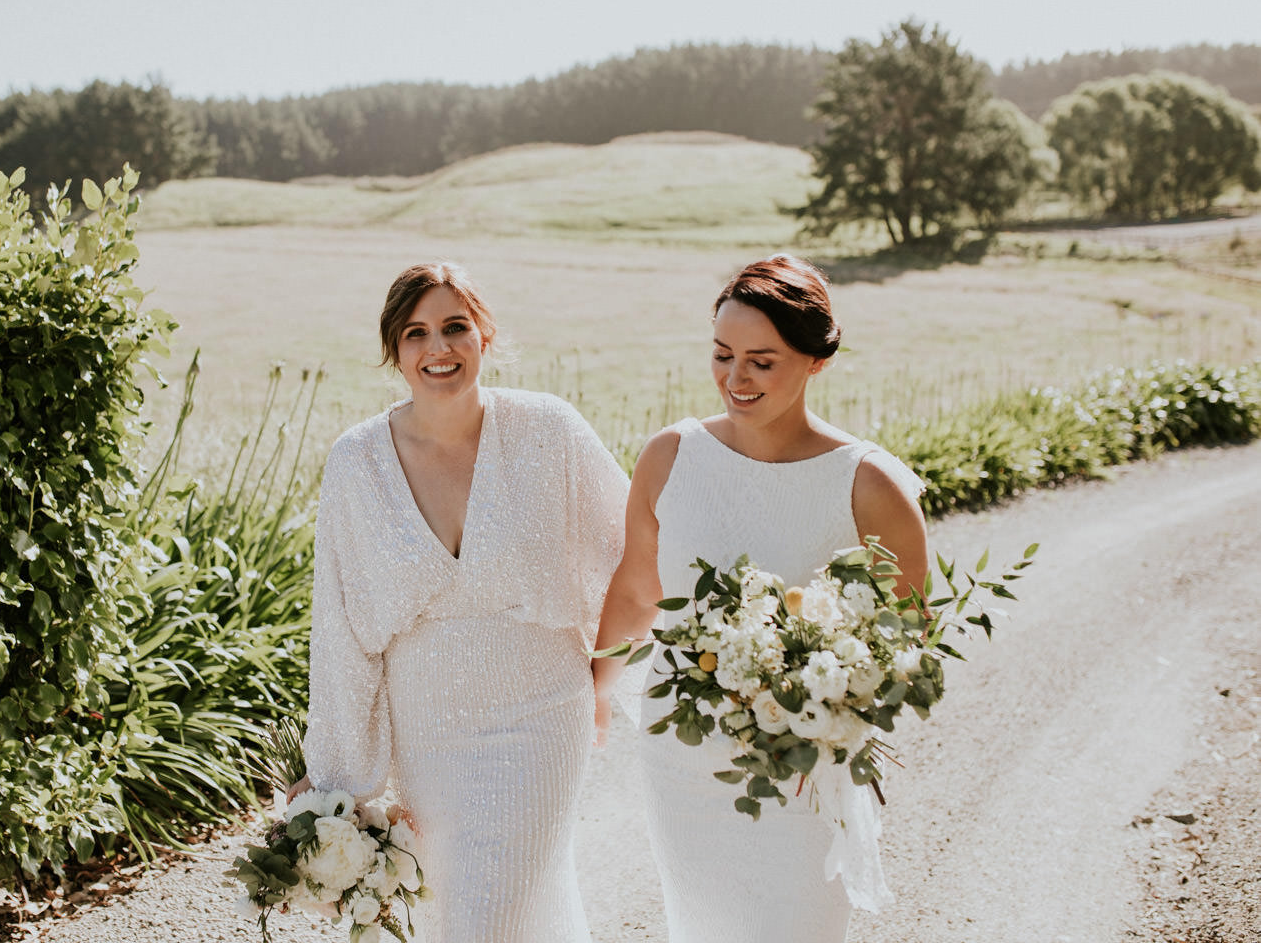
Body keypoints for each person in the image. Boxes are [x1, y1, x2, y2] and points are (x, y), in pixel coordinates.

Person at [592, 254, 927, 942]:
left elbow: (908, 639)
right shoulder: (671, 456)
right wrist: (594, 690)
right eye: (722, 355)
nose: (735, 379)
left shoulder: (869, 485)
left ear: (815, 361)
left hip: (801, 769)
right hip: (683, 764)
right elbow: (637, 589)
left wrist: (823, 694)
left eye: (761, 361)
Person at [292, 261, 628, 943]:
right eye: (415, 333)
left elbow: (633, 558)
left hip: (543, 713)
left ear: (485, 336)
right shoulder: (355, 460)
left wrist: (604, 678)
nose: (437, 348)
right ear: (394, 351)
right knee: (477, 906)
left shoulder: (549, 430)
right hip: (430, 729)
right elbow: (341, 627)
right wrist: (333, 779)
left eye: (454, 327)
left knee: (488, 914)